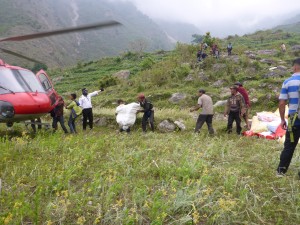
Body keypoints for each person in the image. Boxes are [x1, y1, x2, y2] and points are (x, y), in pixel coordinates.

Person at [276, 58, 300, 177]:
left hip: (294, 119)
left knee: (289, 145)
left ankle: (281, 171)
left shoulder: (288, 82)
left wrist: (282, 119)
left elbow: (281, 103)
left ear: (295, 67)